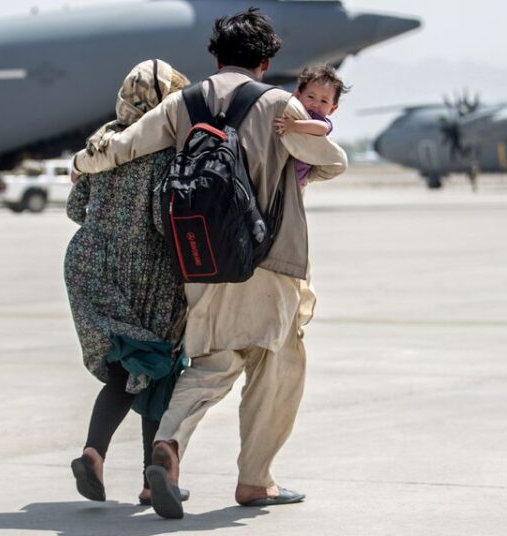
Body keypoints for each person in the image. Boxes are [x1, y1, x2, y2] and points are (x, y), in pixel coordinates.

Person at [70, 8, 348, 518]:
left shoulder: (185, 100)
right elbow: (333, 159)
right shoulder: (279, 104)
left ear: (214, 56)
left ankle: (169, 444)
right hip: (270, 259)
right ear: (265, 61)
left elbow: (124, 146)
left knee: (212, 363)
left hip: (200, 260)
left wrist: (81, 163)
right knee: (278, 363)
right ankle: (255, 481)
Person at [65, 59, 191, 506]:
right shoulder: (164, 147)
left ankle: (94, 454)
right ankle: (152, 476)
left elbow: (76, 209)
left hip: (90, 263)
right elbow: (163, 220)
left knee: (126, 367)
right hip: (146, 271)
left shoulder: (103, 139)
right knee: (155, 368)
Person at [273, 64, 350, 188]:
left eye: (324, 101)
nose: (315, 104)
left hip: (299, 173)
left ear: (333, 109)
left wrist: (294, 125)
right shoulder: (294, 111)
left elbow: (322, 128)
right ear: (298, 96)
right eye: (310, 97)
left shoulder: (319, 120)